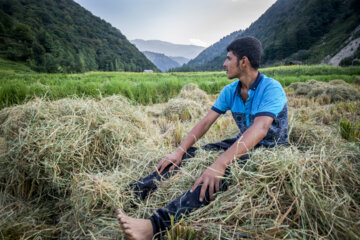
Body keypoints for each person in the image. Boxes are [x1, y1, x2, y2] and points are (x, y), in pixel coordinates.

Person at [116, 36, 288, 240]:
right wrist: (179, 151)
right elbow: (206, 122)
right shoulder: (231, 91)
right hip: (242, 141)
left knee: (218, 176)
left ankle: (153, 226)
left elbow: (260, 129)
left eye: (228, 58)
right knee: (190, 155)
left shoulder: (271, 88)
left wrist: (220, 164)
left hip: (270, 150)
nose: (224, 63)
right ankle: (130, 194)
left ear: (244, 61)